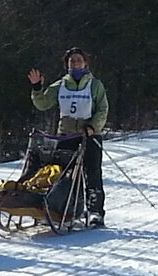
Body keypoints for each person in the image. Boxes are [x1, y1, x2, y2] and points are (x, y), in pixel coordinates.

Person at [26, 48, 109, 224]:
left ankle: (95, 211)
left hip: (90, 135)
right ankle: (65, 209)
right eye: (72, 61)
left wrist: (93, 127)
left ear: (85, 63)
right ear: (67, 64)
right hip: (66, 135)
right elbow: (43, 104)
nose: (75, 63)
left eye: (79, 60)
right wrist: (37, 88)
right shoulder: (61, 85)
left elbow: (102, 109)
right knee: (64, 174)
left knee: (92, 173)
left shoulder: (95, 85)